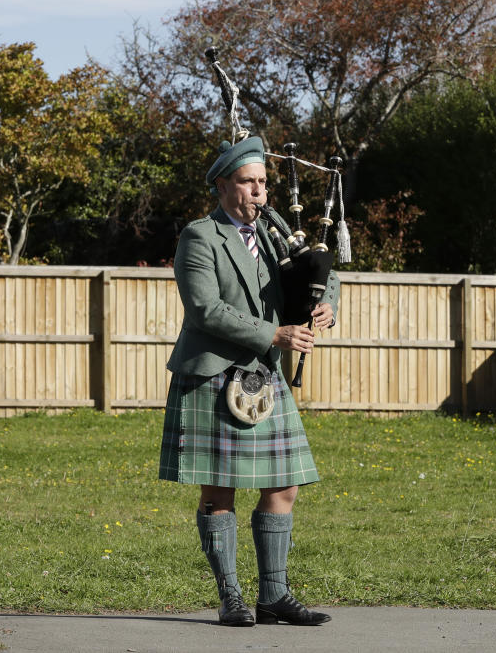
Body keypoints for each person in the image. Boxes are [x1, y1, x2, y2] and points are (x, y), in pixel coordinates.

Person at [158, 137, 339, 627]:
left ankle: (274, 595)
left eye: (262, 182)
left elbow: (321, 271)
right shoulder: (200, 236)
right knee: (219, 492)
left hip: (265, 376)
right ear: (223, 185)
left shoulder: (280, 234)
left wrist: (326, 306)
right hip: (214, 372)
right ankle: (231, 596)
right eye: (247, 182)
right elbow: (204, 307)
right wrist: (273, 333)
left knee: (284, 486)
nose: (258, 192)